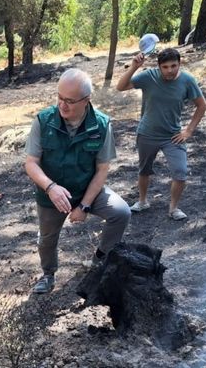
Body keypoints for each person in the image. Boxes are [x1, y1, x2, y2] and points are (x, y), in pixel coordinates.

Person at [24, 69, 131, 294]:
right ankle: (48, 274)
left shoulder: (101, 124)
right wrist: (50, 187)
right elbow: (31, 163)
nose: (62, 105)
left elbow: (102, 169)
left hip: (86, 188)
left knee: (121, 212)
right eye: (60, 98)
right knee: (47, 239)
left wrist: (84, 205)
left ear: (86, 100)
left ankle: (101, 258)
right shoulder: (43, 121)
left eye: (70, 101)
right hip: (52, 193)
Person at [116, 47, 206, 220]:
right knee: (144, 170)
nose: (170, 70)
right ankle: (142, 201)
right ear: (159, 67)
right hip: (147, 134)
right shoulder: (148, 76)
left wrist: (188, 130)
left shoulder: (187, 80)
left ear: (180, 64)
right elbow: (121, 87)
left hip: (172, 136)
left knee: (180, 173)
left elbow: (201, 106)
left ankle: (173, 209)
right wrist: (134, 66)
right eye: (165, 67)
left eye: (174, 66)